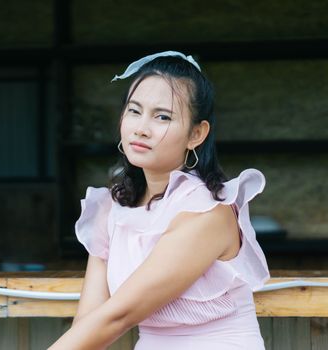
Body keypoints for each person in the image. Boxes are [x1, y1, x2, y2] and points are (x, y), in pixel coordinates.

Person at [48, 51, 270, 349]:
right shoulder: (111, 210)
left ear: (196, 134)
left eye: (162, 116)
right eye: (134, 110)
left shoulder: (206, 211)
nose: (141, 127)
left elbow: (118, 315)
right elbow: (90, 324)